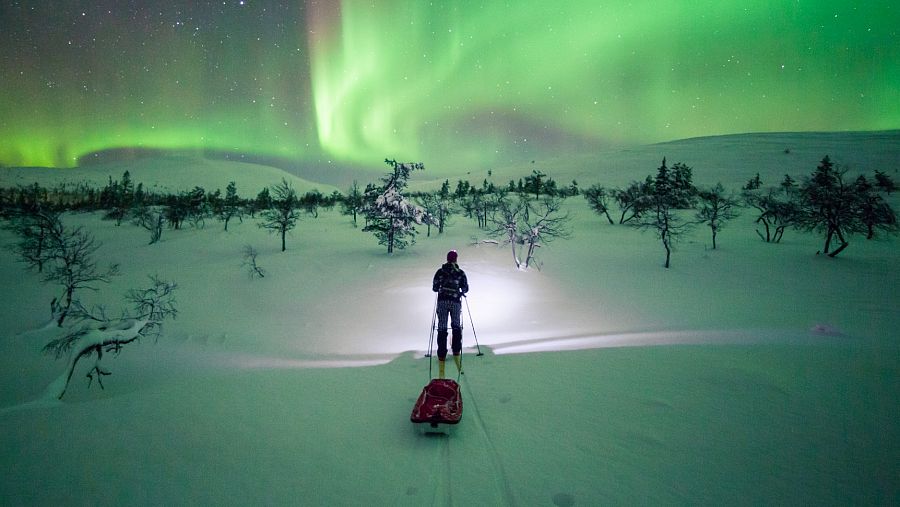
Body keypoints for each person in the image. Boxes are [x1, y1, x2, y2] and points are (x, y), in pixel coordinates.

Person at [432, 249, 469, 378]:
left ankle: (441, 353)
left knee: (442, 327)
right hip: (455, 302)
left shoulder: (440, 271)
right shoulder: (460, 272)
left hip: (442, 301)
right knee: (456, 326)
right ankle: (456, 350)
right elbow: (465, 288)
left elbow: (435, 287)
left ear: (447, 259)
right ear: (456, 259)